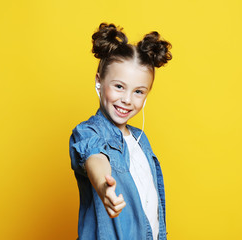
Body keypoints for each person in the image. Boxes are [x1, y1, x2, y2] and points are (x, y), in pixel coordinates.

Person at [69, 23, 172, 240]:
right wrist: (104, 185)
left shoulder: (141, 141)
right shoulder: (88, 131)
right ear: (99, 82)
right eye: (119, 87)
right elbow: (95, 157)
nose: (127, 99)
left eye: (138, 91)